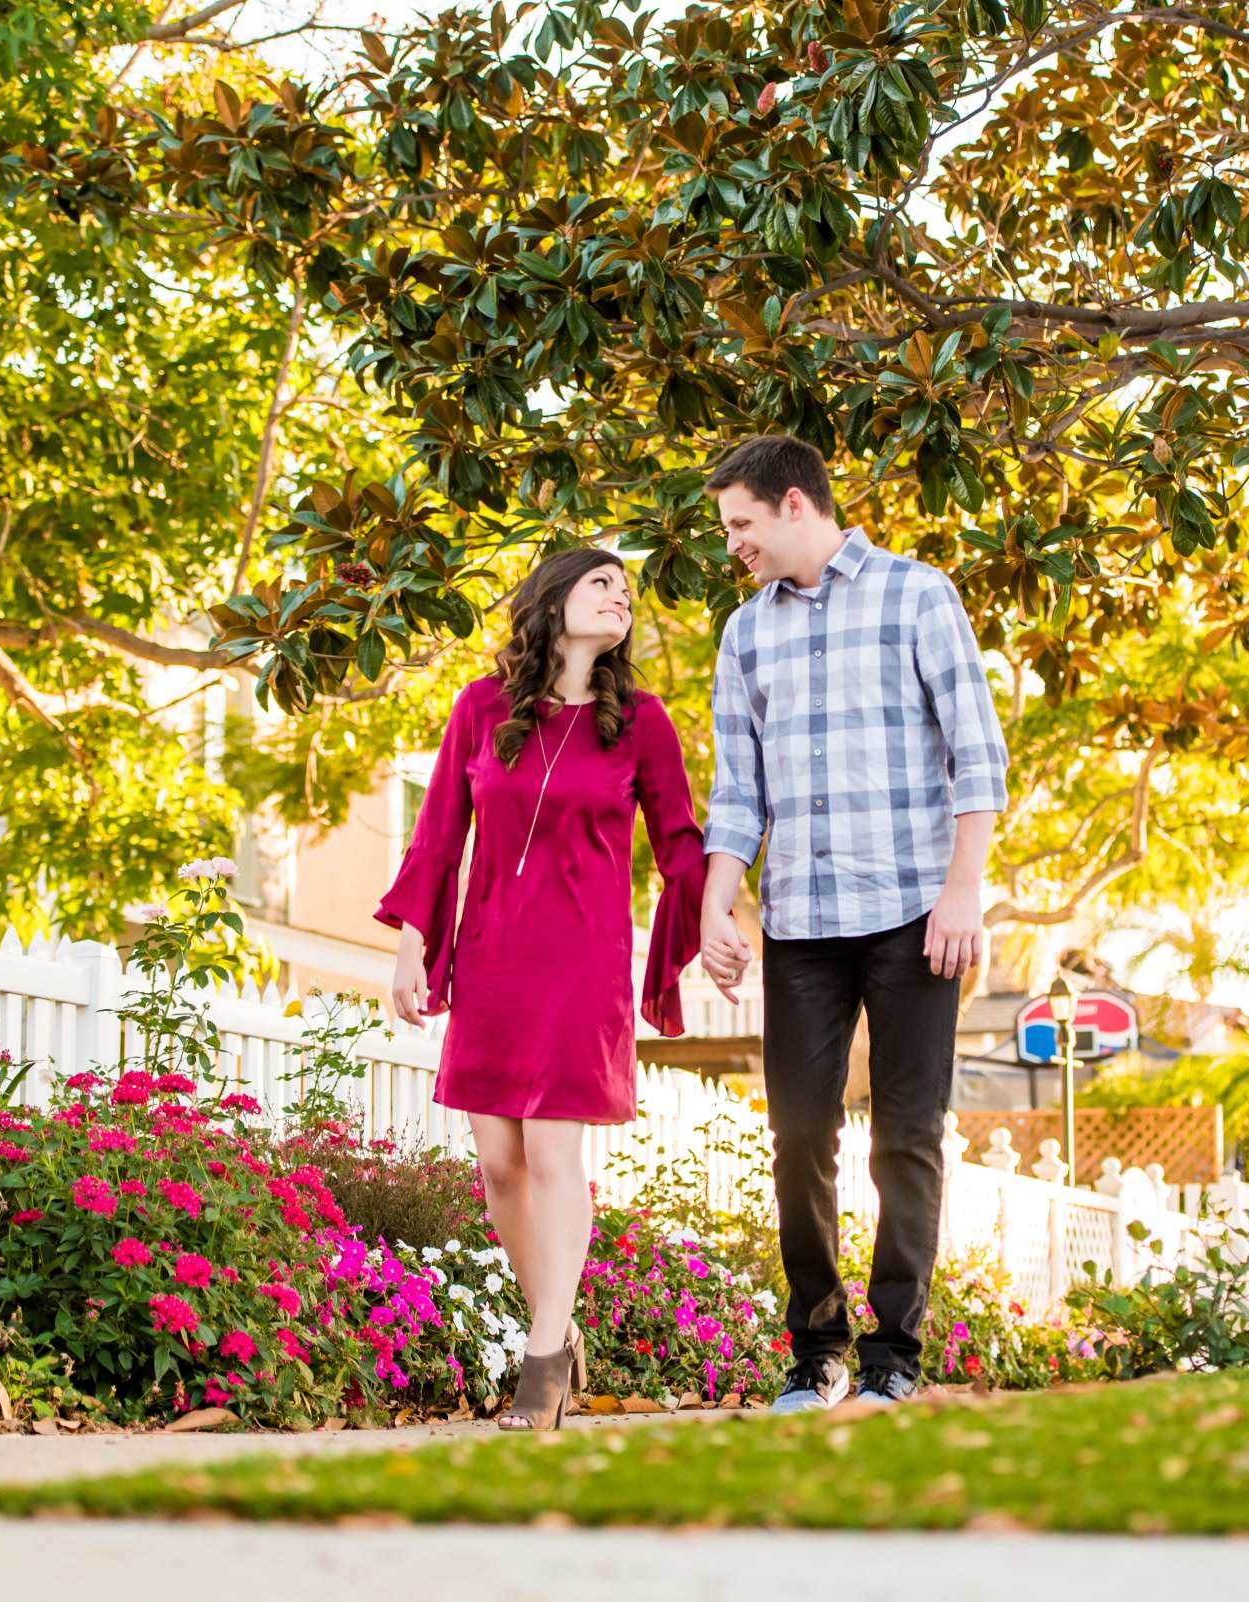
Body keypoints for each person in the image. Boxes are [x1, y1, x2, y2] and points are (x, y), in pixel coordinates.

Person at [697, 435, 1009, 1411]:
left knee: (908, 1133)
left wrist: (965, 889)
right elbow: (737, 790)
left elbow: (977, 753)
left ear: (795, 505)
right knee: (800, 1135)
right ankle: (817, 1350)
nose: (734, 546)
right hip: (801, 920)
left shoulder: (918, 595)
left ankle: (894, 1356)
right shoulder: (744, 634)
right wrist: (719, 894)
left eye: (741, 525)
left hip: (918, 914)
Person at [376, 547, 707, 1430]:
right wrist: (415, 945)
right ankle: (554, 1330)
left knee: (556, 1157)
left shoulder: (641, 722)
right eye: (603, 582)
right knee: (500, 1165)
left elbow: (678, 839)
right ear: (553, 599)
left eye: (627, 591)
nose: (621, 597)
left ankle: (541, 1364)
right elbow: (439, 831)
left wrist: (714, 917)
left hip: (581, 961)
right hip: (493, 955)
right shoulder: (482, 709)